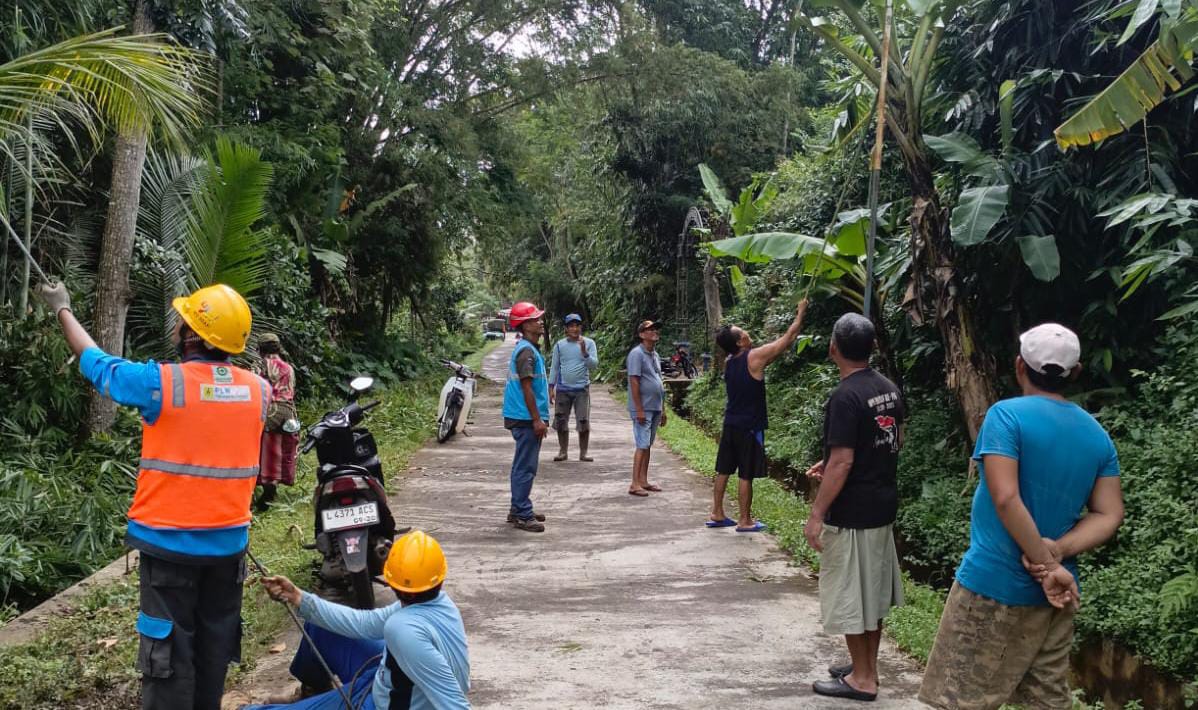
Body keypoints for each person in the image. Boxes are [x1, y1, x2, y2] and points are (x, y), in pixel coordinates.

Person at [36, 281, 267, 710]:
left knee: (169, 658)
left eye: (184, 322)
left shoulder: (162, 383)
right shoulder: (260, 391)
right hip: (228, 550)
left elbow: (98, 364)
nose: (177, 326)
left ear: (193, 335)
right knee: (213, 650)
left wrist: (62, 309)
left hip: (170, 551)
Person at [919, 324, 1124, 710]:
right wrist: (1058, 553)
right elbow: (1109, 513)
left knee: (959, 699)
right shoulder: (1098, 436)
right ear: (1075, 373)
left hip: (993, 584)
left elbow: (1006, 497)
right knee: (1045, 700)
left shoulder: (1005, 417)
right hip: (1057, 598)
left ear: (1018, 366)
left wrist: (1045, 564)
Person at [247, 530, 470, 710]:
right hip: (386, 678)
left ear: (393, 584)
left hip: (380, 703)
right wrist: (298, 598)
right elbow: (364, 623)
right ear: (439, 579)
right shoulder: (440, 603)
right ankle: (313, 692)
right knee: (319, 625)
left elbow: (454, 703)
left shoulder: (404, 630)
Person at [803, 313, 904, 703]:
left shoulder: (844, 397)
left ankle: (862, 680)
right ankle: (867, 668)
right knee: (871, 596)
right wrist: (832, 461)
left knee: (851, 596)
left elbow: (843, 461)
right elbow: (893, 440)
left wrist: (816, 514)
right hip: (881, 506)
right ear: (872, 347)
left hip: (853, 513)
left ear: (833, 348)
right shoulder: (888, 388)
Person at [709, 299, 808, 532]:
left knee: (724, 469)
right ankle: (745, 521)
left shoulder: (729, 362)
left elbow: (771, 357)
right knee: (746, 474)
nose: (747, 332)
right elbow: (788, 338)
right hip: (749, 427)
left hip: (730, 423)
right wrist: (800, 313)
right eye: (743, 332)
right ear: (739, 342)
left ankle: (717, 513)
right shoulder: (753, 357)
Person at [502, 301, 550, 532]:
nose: (540, 322)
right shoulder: (526, 352)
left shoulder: (529, 349)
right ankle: (522, 513)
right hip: (525, 417)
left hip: (523, 415)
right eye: (535, 319)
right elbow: (527, 387)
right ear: (525, 325)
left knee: (523, 464)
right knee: (525, 466)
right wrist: (537, 420)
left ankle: (518, 508)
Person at [255, 333, 299, 512]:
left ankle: (263, 485)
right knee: (279, 448)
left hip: (268, 411)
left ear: (260, 349)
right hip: (287, 412)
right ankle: (274, 482)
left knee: (262, 447)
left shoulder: (260, 365)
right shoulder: (288, 368)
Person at [548, 313, 599, 462]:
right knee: (561, 420)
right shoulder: (560, 345)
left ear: (581, 327)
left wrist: (584, 352)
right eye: (571, 326)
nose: (574, 329)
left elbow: (594, 365)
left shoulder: (589, 343)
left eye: (577, 326)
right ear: (566, 328)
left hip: (582, 389)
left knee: (583, 420)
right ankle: (563, 451)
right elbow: (554, 367)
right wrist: (551, 387)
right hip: (563, 389)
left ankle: (583, 453)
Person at [625, 320, 666, 497]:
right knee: (642, 444)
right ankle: (634, 483)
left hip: (655, 406)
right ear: (642, 334)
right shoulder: (637, 354)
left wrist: (663, 408)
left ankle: (643, 480)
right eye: (650, 330)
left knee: (647, 443)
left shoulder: (654, 354)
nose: (654, 332)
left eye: (655, 329)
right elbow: (634, 381)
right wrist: (639, 409)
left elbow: (659, 380)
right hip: (643, 407)